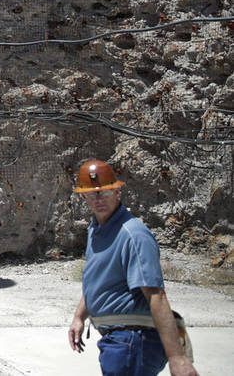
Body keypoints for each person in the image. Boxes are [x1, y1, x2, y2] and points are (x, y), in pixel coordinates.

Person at [67, 159, 197, 376]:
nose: (99, 199)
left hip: (134, 341)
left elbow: (156, 295)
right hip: (117, 341)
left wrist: (177, 357)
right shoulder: (96, 229)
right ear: (83, 197)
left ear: (118, 191)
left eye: (105, 192)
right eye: (92, 194)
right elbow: (98, 279)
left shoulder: (132, 234)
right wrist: (79, 317)